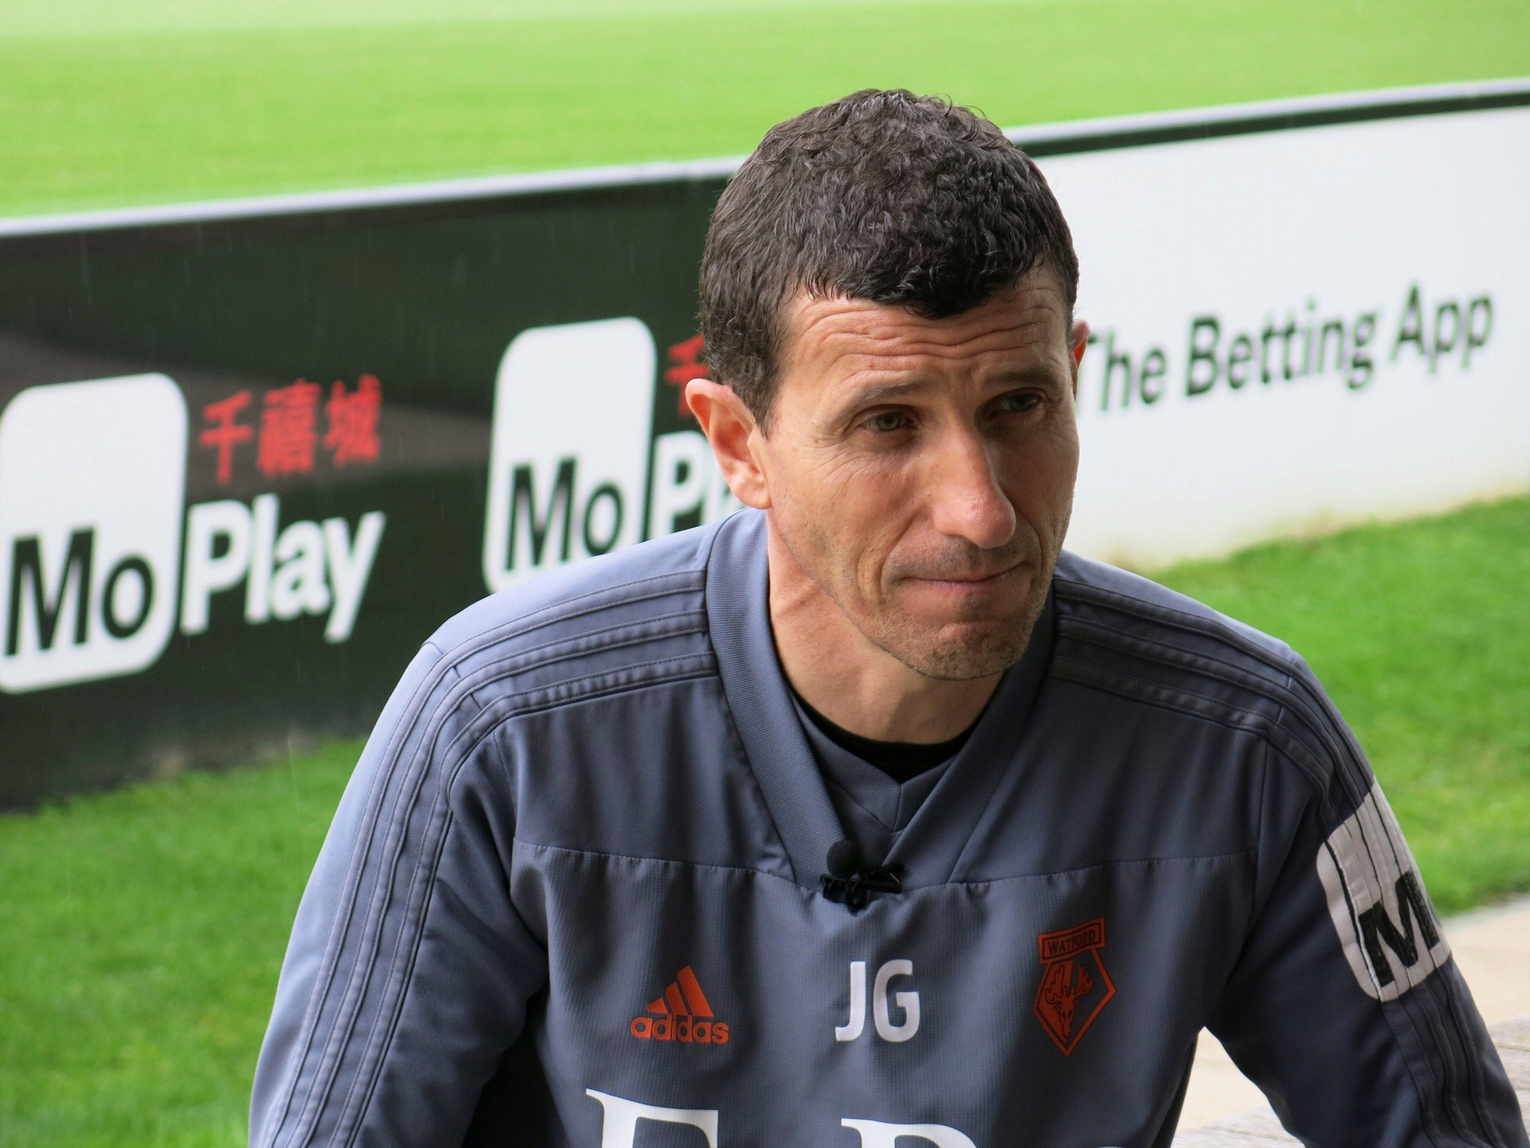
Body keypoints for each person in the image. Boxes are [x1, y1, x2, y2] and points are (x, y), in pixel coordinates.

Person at [249, 90, 1526, 1148]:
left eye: (1019, 404)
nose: (978, 509)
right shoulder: (497, 725)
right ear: (737, 442)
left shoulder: (1251, 744)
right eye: (885, 424)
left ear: (1076, 373)